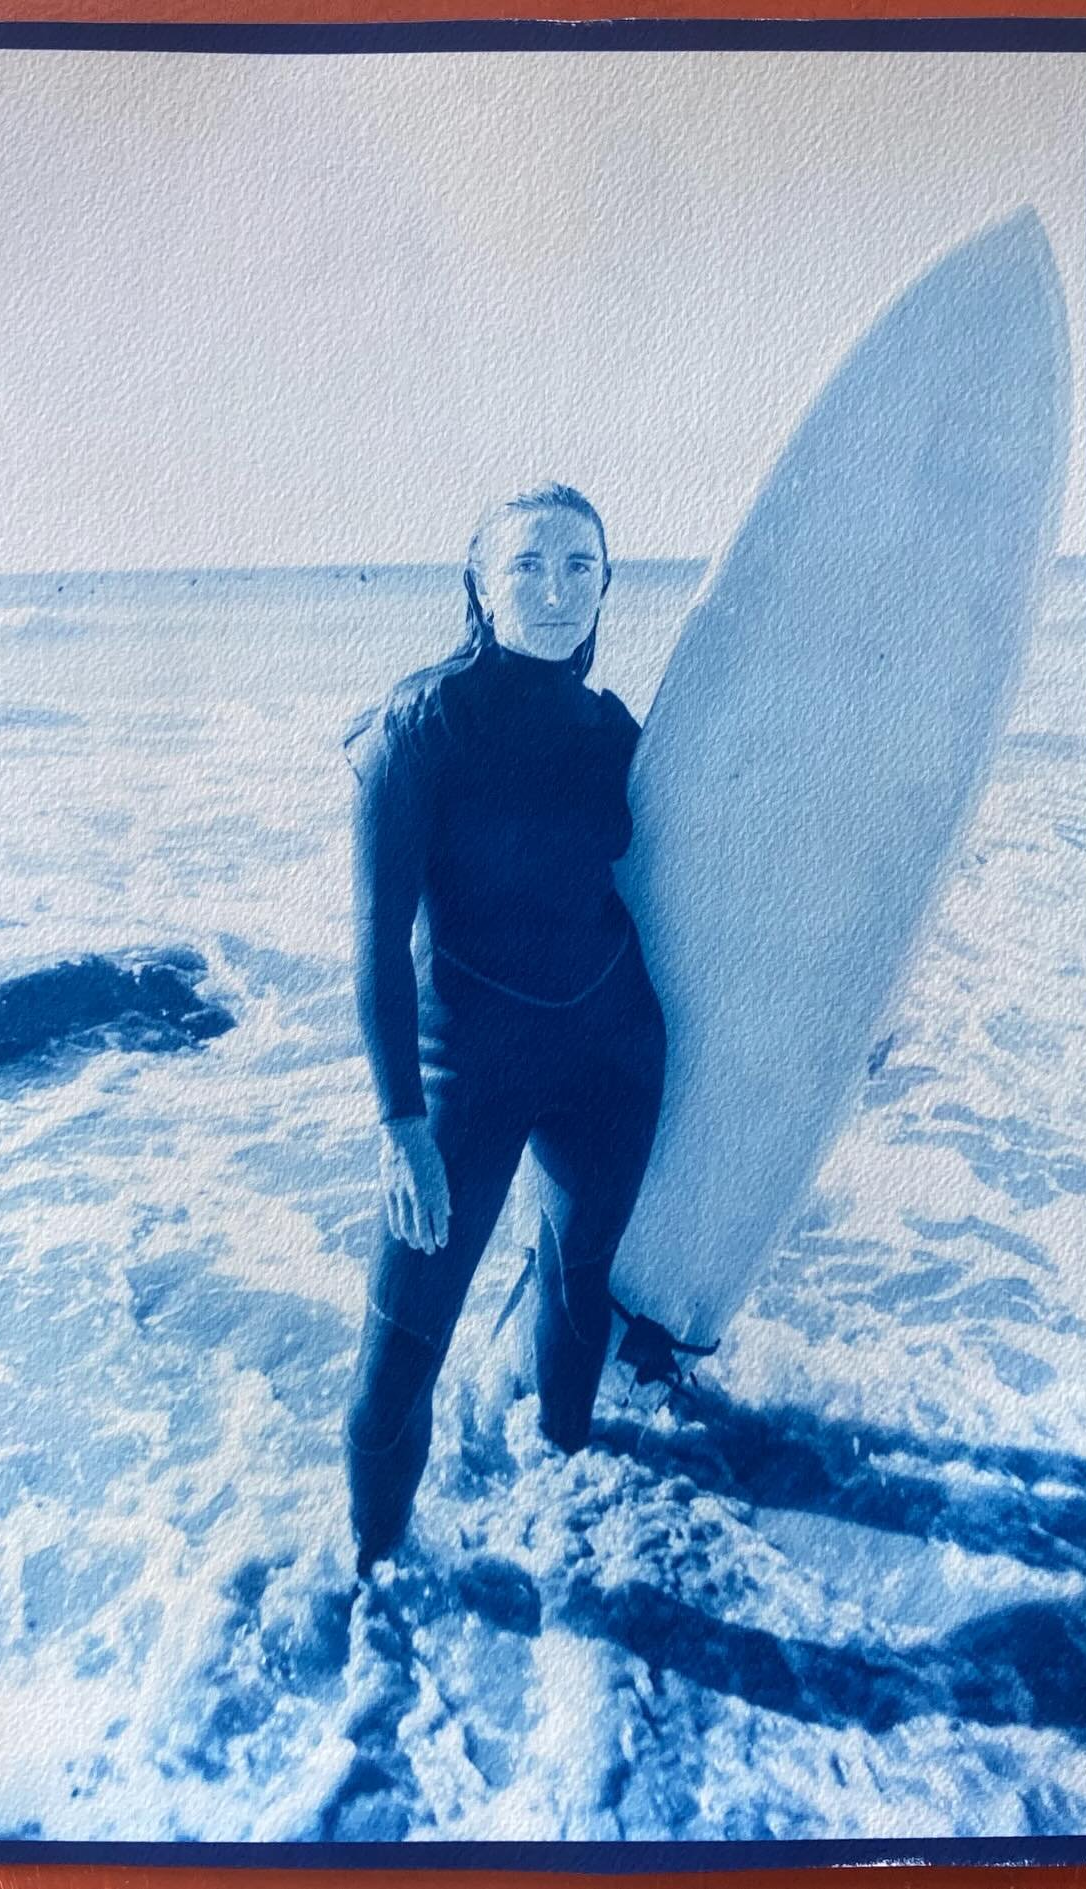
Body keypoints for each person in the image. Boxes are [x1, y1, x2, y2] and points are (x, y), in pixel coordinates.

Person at [342, 482, 666, 1577]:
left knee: (582, 1282)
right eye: (528, 564)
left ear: (608, 584)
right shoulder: (417, 726)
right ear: (479, 585)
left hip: (612, 1056)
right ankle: (375, 1582)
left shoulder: (612, 727)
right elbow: (379, 942)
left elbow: (703, 885)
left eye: (583, 565)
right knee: (402, 1349)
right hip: (462, 1077)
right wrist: (400, 1126)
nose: (558, 588)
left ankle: (568, 1504)